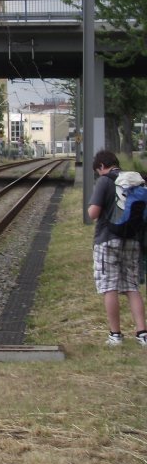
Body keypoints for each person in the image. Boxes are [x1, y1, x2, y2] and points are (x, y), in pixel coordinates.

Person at [86, 149, 147, 347]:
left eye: (98, 171)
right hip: (132, 239)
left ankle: (115, 334)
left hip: (107, 239)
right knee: (131, 287)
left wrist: (90, 207)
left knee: (109, 286)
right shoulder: (135, 180)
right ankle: (142, 333)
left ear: (101, 166)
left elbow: (93, 213)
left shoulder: (104, 181)